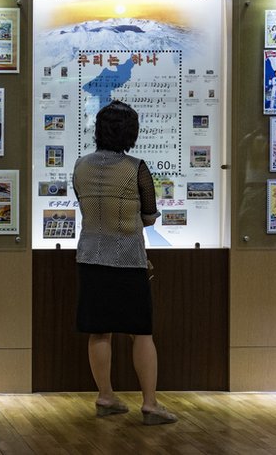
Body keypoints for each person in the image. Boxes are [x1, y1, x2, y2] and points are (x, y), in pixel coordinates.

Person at [73, 101, 177, 426]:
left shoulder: (81, 166)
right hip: (128, 260)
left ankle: (105, 396)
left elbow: (81, 201)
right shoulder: (137, 168)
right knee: (141, 333)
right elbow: (149, 217)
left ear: (98, 130)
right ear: (132, 133)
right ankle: (150, 403)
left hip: (90, 257)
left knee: (98, 331)